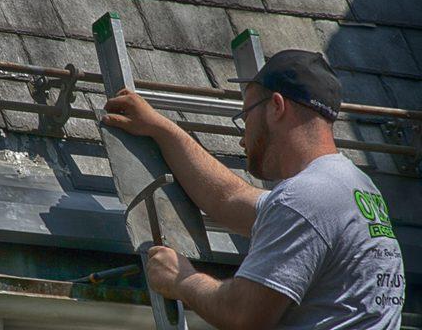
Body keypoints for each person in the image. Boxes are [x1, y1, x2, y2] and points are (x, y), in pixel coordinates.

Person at [102, 50, 405, 329]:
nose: (242, 140)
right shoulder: (351, 186)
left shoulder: (305, 200)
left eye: (246, 116)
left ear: (276, 106)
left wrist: (181, 279)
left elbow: (243, 314)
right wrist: (161, 128)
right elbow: (228, 198)